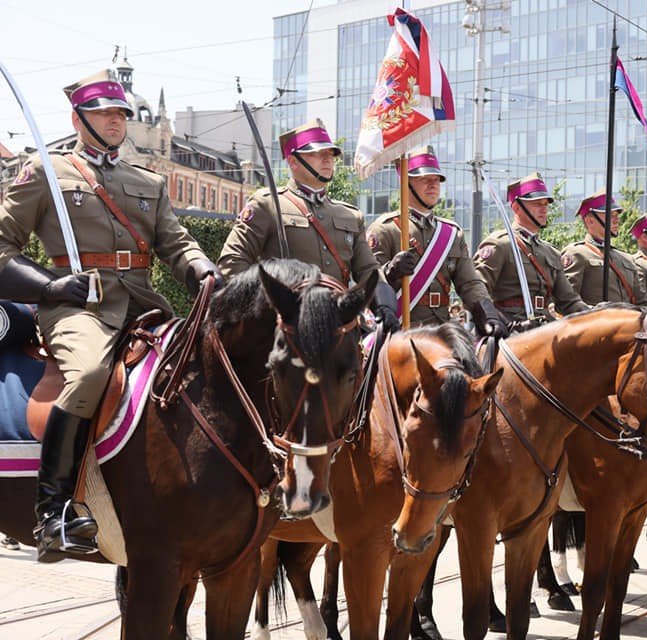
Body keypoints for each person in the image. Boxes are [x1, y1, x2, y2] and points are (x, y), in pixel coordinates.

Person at [0, 70, 223, 561]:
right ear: (78, 119)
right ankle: (54, 509)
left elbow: (177, 243)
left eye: (121, 113)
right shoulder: (45, 173)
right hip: (77, 308)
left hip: (144, 305)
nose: (116, 121)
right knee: (89, 374)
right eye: (104, 112)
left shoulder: (148, 182)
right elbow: (2, 248)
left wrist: (203, 270)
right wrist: (48, 285)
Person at [217, 118, 398, 328]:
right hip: (288, 328)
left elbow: (368, 269)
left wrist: (385, 306)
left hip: (339, 326)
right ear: (293, 162)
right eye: (318, 154)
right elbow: (232, 261)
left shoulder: (350, 215)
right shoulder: (267, 204)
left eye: (330, 154)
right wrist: (270, 306)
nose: (328, 159)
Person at [365, 146, 506, 336]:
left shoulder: (451, 233)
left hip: (442, 329)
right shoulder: (385, 229)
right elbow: (368, 282)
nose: (433, 184)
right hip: (400, 329)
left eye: (437, 179)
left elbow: (470, 283)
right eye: (425, 179)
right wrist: (390, 272)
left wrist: (488, 314)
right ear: (406, 183)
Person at [474, 172, 589, 323]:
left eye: (545, 204)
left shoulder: (550, 252)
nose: (544, 209)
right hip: (510, 325)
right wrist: (491, 319)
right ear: (516, 208)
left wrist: (597, 313)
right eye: (537, 204)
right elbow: (477, 288)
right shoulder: (500, 244)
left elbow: (569, 301)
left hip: (545, 325)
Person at [560, 189, 647, 306]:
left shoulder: (626, 258)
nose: (616, 220)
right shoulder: (577, 253)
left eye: (616, 215)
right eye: (609, 215)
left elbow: (642, 301)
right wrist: (598, 313)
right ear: (590, 221)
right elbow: (567, 300)